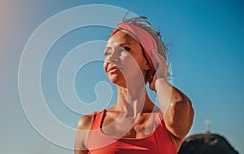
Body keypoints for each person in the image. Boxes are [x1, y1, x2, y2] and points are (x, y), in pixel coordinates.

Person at [74, 16, 194, 154]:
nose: (111, 58)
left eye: (124, 49)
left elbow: (178, 104)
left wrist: (159, 79)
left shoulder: (165, 123)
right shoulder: (88, 125)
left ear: (148, 62)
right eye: (107, 53)